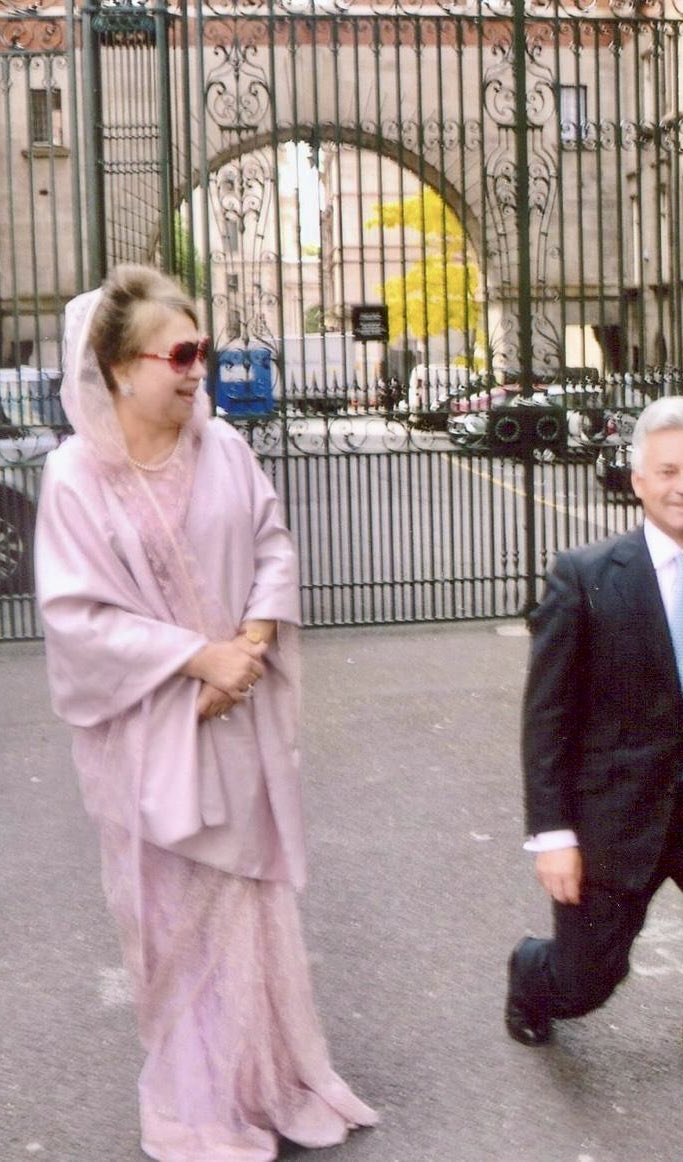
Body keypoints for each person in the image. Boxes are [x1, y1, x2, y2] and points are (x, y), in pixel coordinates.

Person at [35, 265, 377, 1161]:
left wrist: (251, 646)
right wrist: (197, 660)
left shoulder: (223, 446)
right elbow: (78, 617)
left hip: (239, 711)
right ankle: (196, 1103)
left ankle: (262, 1083)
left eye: (204, 352)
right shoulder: (74, 478)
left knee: (246, 907)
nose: (197, 372)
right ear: (116, 367)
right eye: (181, 354)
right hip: (151, 733)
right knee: (171, 923)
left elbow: (269, 541)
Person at [504, 396, 683, 1100]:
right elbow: (548, 718)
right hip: (612, 815)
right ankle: (531, 978)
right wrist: (553, 835)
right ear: (637, 481)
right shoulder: (585, 575)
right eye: (666, 472)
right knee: (585, 985)